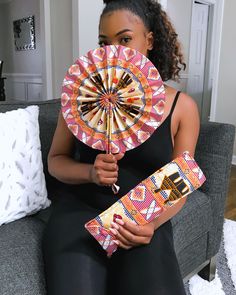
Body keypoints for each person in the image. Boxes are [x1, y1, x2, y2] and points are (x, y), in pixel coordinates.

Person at [42, 0, 200, 294]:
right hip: (81, 212)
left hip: (140, 219)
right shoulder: (80, 97)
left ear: (149, 40)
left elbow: (181, 183)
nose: (113, 51)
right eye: (104, 42)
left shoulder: (182, 108)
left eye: (125, 39)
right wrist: (90, 172)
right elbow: (55, 161)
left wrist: (151, 225)